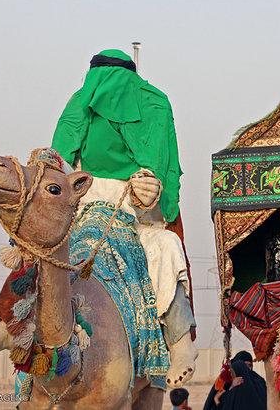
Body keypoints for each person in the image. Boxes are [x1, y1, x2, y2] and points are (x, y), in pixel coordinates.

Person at [51, 49, 198, 387]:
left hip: (132, 224)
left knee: (167, 245)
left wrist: (147, 191)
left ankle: (180, 344)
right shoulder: (79, 108)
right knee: (38, 250)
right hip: (80, 220)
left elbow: (161, 200)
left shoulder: (153, 107)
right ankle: (10, 329)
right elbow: (58, 167)